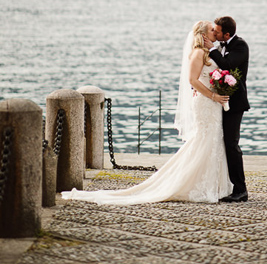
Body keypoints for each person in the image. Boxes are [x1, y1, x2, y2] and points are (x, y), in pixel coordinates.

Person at [62, 21, 233, 205]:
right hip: (206, 104)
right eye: (212, 29)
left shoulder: (208, 52)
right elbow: (192, 80)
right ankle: (196, 185)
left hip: (212, 104)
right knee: (204, 141)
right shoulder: (198, 53)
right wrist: (213, 96)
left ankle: (212, 185)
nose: (215, 31)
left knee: (212, 141)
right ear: (204, 35)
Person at [207, 15, 250, 203]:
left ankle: (241, 190)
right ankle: (225, 185)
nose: (214, 34)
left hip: (235, 103)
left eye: (217, 31)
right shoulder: (221, 46)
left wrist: (211, 49)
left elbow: (227, 64)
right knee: (220, 142)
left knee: (232, 145)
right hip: (219, 101)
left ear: (227, 34)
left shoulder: (240, 46)